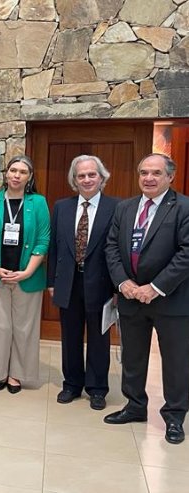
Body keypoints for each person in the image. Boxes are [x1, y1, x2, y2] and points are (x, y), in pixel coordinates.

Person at [104, 153, 189, 445]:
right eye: (144, 173)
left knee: (176, 361)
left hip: (171, 300)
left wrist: (155, 287)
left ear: (170, 177)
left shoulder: (183, 208)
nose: (148, 178)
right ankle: (135, 406)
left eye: (155, 173)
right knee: (133, 356)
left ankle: (175, 417)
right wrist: (123, 282)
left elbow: (186, 254)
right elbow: (111, 247)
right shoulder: (125, 208)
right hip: (131, 298)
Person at [47, 155, 117, 411]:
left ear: (102, 177)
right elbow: (54, 247)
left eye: (91, 175)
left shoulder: (116, 207)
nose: (86, 179)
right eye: (81, 176)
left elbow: (117, 250)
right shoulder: (62, 207)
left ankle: (97, 388)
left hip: (101, 283)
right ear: (74, 180)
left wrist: (118, 286)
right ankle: (72, 384)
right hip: (68, 281)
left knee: (99, 338)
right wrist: (51, 280)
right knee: (70, 335)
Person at [0, 155, 50, 393]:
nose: (16, 175)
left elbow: (43, 239)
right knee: (0, 327)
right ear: (6, 173)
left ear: (29, 177)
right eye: (13, 170)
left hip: (28, 276)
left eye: (23, 172)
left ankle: (16, 375)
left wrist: (27, 271)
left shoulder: (38, 202)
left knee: (24, 328)